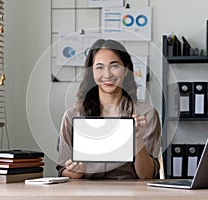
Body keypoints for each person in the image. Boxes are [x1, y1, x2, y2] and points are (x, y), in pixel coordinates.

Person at [56, 39, 161, 179]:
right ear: (91, 72)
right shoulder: (72, 116)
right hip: (85, 192)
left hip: (130, 193)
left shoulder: (146, 115)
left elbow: (147, 175)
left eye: (114, 66)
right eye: (99, 67)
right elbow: (63, 169)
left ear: (126, 69)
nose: (107, 75)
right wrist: (76, 171)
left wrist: (138, 140)